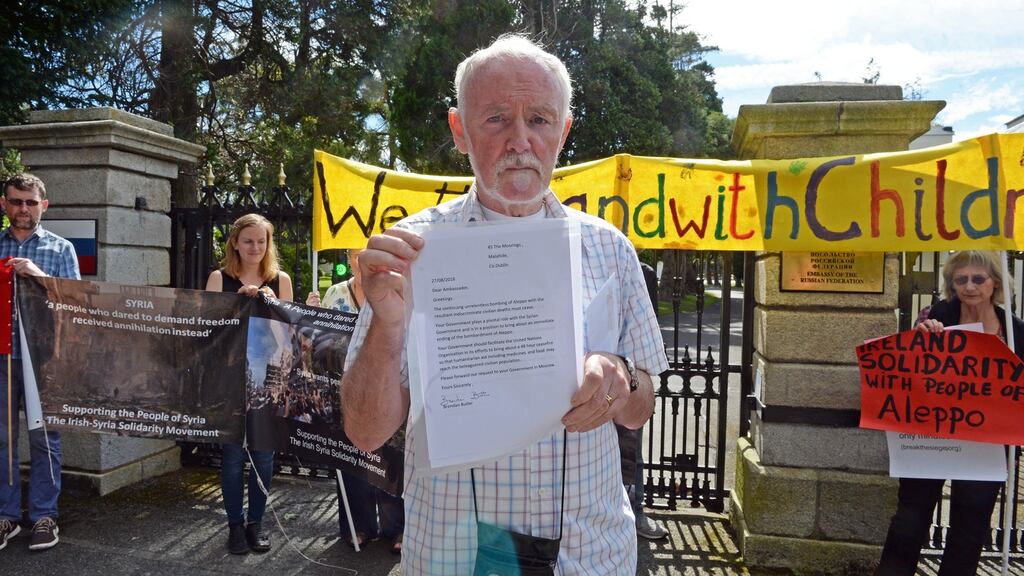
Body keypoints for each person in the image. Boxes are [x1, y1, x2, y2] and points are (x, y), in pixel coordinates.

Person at [341, 35, 667, 574]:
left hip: (588, 555)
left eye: (539, 119)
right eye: (496, 119)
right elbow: (365, 432)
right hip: (454, 557)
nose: (521, 141)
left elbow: (642, 407)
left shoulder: (609, 247)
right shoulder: (411, 252)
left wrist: (622, 377)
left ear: (563, 130)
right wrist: (387, 327)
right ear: (459, 130)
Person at [875, 250, 1022, 575]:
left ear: (994, 283)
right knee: (909, 520)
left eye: (977, 279)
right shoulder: (934, 317)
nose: (969, 286)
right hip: (932, 438)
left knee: (969, 530)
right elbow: (907, 368)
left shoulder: (1015, 331)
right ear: (952, 284)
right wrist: (922, 336)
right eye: (961, 279)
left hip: (987, 447)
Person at [0, 173, 80, 552]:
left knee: (44, 439)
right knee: (3, 440)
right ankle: (7, 516)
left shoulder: (61, 249)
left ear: (43, 206)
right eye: (16, 201)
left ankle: (44, 516)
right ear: (4, 204)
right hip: (2, 358)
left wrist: (38, 275)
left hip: (42, 360)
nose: (23, 209)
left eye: (30, 202)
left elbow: (74, 304)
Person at [306, 249, 404, 554]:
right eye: (357, 253)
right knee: (351, 459)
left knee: (392, 460)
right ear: (350, 259)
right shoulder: (335, 292)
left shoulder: (398, 288)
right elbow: (319, 340)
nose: (365, 257)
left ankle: (397, 528)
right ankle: (358, 526)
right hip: (348, 389)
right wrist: (312, 312)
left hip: (391, 387)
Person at [206, 213, 293, 555]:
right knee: (231, 457)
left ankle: (256, 523)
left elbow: (287, 338)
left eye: (261, 241)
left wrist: (271, 304)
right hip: (229, 380)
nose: (254, 247)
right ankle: (235, 526)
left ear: (269, 244)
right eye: (248, 241)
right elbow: (211, 335)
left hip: (267, 380)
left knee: (263, 457)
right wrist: (238, 305)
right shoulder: (219, 278)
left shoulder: (280, 279)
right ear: (235, 244)